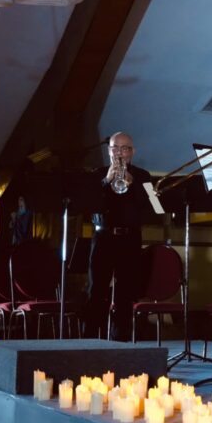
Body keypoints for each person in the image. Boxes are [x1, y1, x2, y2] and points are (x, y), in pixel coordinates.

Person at [84, 132, 152, 341]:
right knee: (96, 291)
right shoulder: (97, 174)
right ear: (109, 150)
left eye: (124, 148)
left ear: (132, 152)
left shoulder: (144, 176)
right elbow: (87, 206)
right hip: (103, 238)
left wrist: (135, 186)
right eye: (115, 148)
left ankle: (119, 342)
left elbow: (155, 209)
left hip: (129, 240)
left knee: (125, 294)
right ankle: (89, 341)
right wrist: (106, 182)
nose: (119, 153)